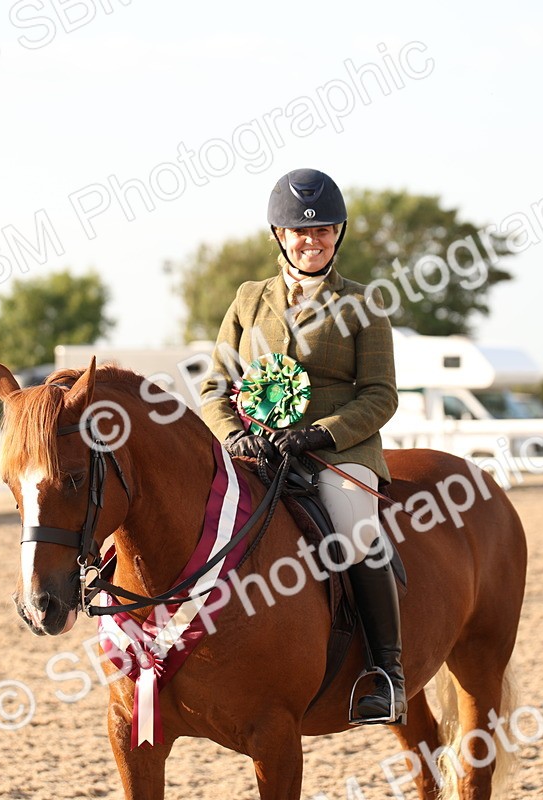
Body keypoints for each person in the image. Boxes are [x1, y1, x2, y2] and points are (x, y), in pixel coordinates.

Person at [199, 168, 405, 725]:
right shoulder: (248, 300)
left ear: (338, 234)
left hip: (336, 451)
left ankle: (387, 671)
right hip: (257, 447)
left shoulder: (364, 303)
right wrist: (236, 436)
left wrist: (320, 433)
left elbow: (381, 396)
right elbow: (215, 385)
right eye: (298, 233)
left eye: (323, 231)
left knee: (354, 524)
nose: (310, 242)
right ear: (278, 235)